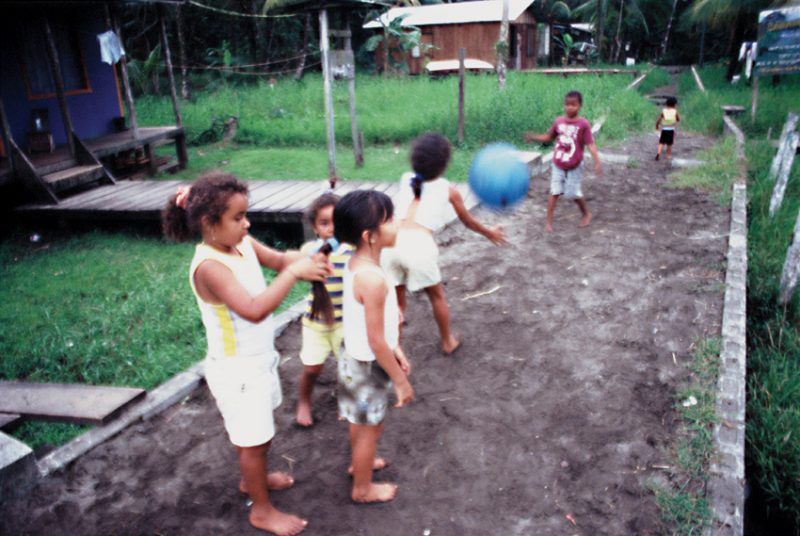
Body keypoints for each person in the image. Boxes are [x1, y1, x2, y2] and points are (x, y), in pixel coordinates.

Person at [162, 171, 330, 536]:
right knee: (251, 441)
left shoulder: (242, 244)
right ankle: (262, 511)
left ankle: (252, 480)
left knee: (260, 435)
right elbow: (253, 309)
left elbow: (280, 260)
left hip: (258, 361)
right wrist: (293, 275)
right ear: (209, 223)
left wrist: (307, 258)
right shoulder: (210, 267)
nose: (246, 223)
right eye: (238, 218)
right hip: (236, 371)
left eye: (245, 214)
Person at [381, 133, 506, 355]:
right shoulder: (448, 189)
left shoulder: (405, 178)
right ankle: (447, 341)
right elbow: (468, 222)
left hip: (390, 244)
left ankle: (395, 347)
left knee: (397, 303)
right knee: (436, 295)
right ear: (444, 165)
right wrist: (490, 232)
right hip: (418, 247)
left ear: (414, 160)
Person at [333, 190, 413, 503]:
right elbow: (376, 339)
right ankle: (363, 489)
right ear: (370, 236)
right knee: (370, 428)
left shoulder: (356, 263)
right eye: (390, 220)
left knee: (361, 422)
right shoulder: (373, 280)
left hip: (354, 359)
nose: (397, 223)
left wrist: (397, 348)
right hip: (368, 368)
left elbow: (378, 330)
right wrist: (401, 380)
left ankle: (359, 464)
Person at [295, 193, 353, 427]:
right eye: (324, 223)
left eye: (336, 222)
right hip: (315, 323)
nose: (331, 229)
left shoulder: (352, 251)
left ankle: (347, 401)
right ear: (314, 227)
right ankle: (303, 401)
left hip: (345, 322)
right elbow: (299, 269)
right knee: (311, 368)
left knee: (349, 369)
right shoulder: (310, 250)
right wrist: (317, 257)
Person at [524, 90, 602, 232]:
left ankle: (586, 214)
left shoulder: (583, 124)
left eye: (573, 105)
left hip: (575, 165)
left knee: (572, 194)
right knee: (554, 192)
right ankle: (548, 222)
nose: (569, 107)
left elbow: (590, 144)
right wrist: (533, 137)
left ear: (580, 106)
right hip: (558, 163)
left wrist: (596, 160)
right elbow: (549, 137)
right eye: (567, 104)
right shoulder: (559, 122)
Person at [655, 96, 680, 161]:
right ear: (675, 104)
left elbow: (658, 120)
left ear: (666, 104)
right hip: (671, 130)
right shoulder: (675, 111)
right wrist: (675, 119)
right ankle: (668, 156)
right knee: (669, 144)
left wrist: (657, 125)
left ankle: (658, 153)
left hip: (664, 130)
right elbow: (678, 119)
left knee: (661, 142)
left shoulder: (664, 111)